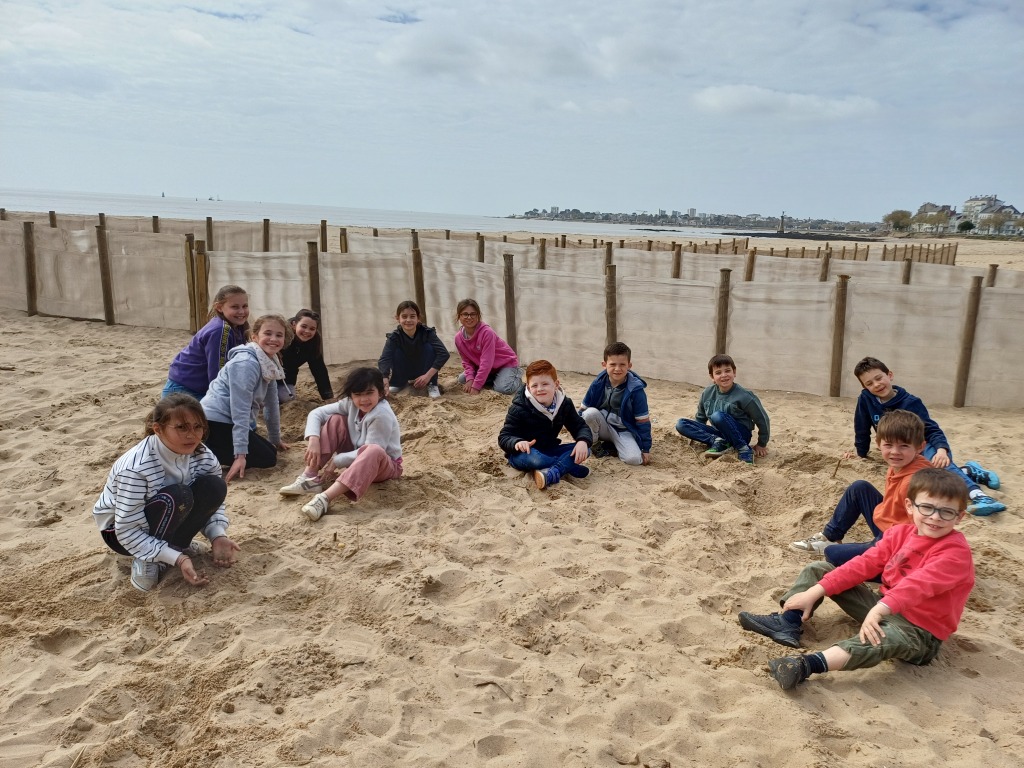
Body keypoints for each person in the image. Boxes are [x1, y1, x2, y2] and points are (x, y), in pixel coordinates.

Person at [738, 467, 974, 690]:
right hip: (883, 606)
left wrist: (880, 610)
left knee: (879, 639)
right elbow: (864, 564)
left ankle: (806, 665)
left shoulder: (955, 553)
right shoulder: (899, 533)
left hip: (919, 631)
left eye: (946, 511)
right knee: (821, 569)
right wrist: (814, 592)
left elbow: (918, 585)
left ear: (959, 516)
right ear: (910, 506)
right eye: (927, 508)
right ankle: (788, 622)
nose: (935, 517)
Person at [92, 394, 240, 592]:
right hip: (119, 532)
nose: (192, 435)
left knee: (214, 486)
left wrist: (217, 535)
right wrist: (178, 559)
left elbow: (212, 500)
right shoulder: (136, 468)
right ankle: (147, 559)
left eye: (198, 426)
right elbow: (127, 530)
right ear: (158, 429)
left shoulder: (202, 454)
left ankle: (175, 545)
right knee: (179, 495)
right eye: (182, 427)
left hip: (164, 515)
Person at [847, 356, 1004, 516]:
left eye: (879, 378)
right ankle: (968, 471)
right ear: (865, 387)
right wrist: (861, 453)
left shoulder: (911, 402)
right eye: (869, 383)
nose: (876, 384)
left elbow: (931, 429)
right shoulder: (866, 399)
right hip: (900, 450)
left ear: (890, 375)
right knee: (925, 479)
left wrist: (941, 450)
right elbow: (861, 427)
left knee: (939, 468)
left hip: (921, 445)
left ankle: (980, 496)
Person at [791, 410, 932, 566]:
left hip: (897, 543)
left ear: (920, 447)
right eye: (888, 445)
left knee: (832, 554)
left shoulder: (914, 482)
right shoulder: (900, 464)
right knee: (859, 488)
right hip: (889, 524)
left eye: (904, 446)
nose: (895, 452)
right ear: (879, 444)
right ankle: (831, 536)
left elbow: (922, 529)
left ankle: (857, 549)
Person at [279, 367, 402, 522]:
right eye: (358, 394)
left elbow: (370, 451)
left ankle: (324, 498)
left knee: (373, 450)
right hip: (357, 454)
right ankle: (309, 477)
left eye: (369, 393)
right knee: (335, 419)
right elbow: (316, 413)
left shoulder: (381, 414)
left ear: (381, 392)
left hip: (384, 466)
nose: (364, 399)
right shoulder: (350, 404)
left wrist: (337, 461)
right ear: (351, 395)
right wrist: (313, 439)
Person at [201, 314, 291, 481]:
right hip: (214, 421)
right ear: (254, 336)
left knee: (271, 451)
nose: (273, 339)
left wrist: (275, 438)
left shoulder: (269, 360)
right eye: (268, 333)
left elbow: (272, 403)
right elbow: (240, 410)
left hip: (229, 420)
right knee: (267, 459)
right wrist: (240, 455)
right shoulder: (246, 363)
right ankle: (201, 452)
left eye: (279, 335)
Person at [498, 359, 593, 490]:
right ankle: (566, 467)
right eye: (534, 385)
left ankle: (553, 471)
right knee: (538, 460)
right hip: (525, 453)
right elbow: (504, 436)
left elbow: (580, 426)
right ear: (528, 387)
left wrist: (582, 441)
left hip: (550, 449)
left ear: (556, 384)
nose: (540, 389)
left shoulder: (564, 404)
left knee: (586, 449)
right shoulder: (519, 407)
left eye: (545, 384)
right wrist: (517, 442)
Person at [674, 354, 769, 464]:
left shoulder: (745, 396)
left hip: (741, 435)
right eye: (718, 373)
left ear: (734, 372)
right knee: (681, 424)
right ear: (712, 377)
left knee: (717, 416)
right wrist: (696, 434)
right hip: (718, 434)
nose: (724, 375)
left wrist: (762, 444)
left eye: (727, 371)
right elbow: (700, 418)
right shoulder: (707, 393)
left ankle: (743, 448)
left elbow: (762, 419)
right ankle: (718, 442)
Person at [162, 285, 250, 399]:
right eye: (235, 307)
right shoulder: (221, 330)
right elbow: (217, 371)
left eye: (245, 306)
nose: (241, 311)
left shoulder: (238, 327)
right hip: (184, 391)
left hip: (196, 387)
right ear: (219, 307)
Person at [579, 341, 652, 466]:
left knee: (634, 459)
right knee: (589, 413)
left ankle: (612, 446)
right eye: (612, 364)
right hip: (602, 427)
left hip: (623, 431)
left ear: (629, 365)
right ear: (604, 365)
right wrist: (580, 437)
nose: (617, 369)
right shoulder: (598, 383)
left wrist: (645, 449)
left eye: (622, 364)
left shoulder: (636, 390)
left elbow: (643, 421)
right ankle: (595, 445)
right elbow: (583, 410)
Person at [377, 300, 450, 399]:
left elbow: (444, 353)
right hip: (403, 371)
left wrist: (427, 376)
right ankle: (399, 384)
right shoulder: (394, 337)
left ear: (418, 318)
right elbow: (384, 359)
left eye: (412, 316)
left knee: (429, 348)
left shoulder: (427, 333)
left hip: (425, 371)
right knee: (396, 351)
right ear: (397, 318)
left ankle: (432, 385)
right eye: (404, 316)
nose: (408, 320)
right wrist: (384, 379)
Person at [453, 298, 522, 395]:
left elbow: (486, 362)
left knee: (502, 389)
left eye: (473, 314)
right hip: (488, 369)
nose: (469, 317)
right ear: (459, 316)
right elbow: (467, 362)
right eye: (465, 314)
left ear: (478, 315)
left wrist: (476, 386)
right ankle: (496, 378)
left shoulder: (487, 333)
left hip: (505, 364)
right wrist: (470, 379)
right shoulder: (458, 338)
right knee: (463, 379)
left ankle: (517, 377)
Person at [282, 309, 334, 401]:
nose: (307, 331)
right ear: (294, 324)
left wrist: (328, 396)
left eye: (312, 329)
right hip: (265, 377)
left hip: (286, 379)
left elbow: (319, 370)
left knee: (286, 397)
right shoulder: (281, 335)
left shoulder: (313, 342)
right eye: (304, 326)